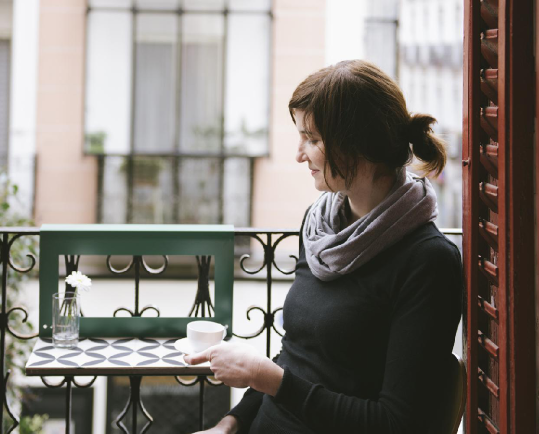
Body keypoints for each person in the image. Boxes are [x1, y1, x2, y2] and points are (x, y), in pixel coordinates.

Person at [184, 59, 463, 433]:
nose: (300, 154)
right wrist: (230, 423)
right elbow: (296, 355)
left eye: (312, 139)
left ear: (357, 145)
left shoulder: (427, 261)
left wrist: (271, 380)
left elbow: (397, 423)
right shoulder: (320, 227)